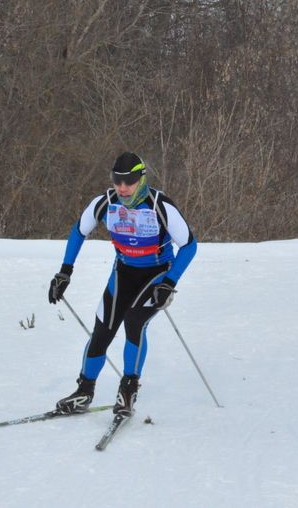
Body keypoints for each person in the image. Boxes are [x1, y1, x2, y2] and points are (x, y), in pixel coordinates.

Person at [48, 151, 197, 417]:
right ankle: (84, 391)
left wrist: (169, 282)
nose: (123, 188)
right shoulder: (105, 203)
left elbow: (189, 245)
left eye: (128, 181)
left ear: (141, 179)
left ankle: (128, 389)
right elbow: (78, 231)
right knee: (102, 331)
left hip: (157, 275)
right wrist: (64, 272)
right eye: (117, 181)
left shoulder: (159, 205)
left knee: (134, 321)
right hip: (123, 273)